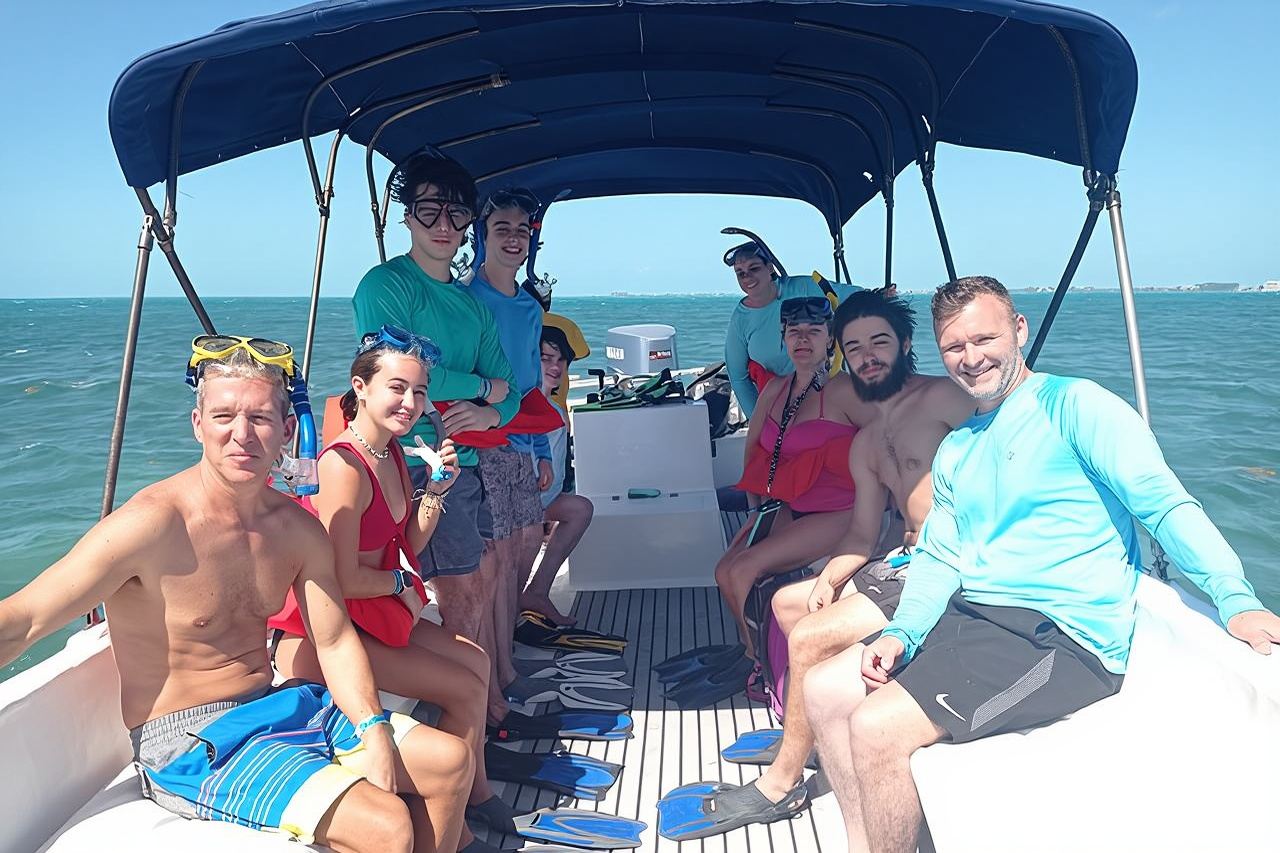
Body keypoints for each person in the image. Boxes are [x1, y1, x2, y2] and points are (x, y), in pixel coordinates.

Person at [804, 276, 1280, 853]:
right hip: (977, 620)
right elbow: (940, 556)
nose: (971, 357)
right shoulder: (959, 445)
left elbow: (1165, 505)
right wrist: (904, 631)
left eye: (984, 338)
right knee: (828, 688)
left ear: (1018, 330)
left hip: (1061, 638)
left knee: (875, 728)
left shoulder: (1076, 405)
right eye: (954, 347)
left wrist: (1236, 599)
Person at [0, 339, 474, 853]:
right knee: (387, 826)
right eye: (224, 415)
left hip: (274, 704)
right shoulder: (151, 525)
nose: (241, 434)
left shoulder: (294, 529)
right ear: (197, 423)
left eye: (261, 419)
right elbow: (25, 619)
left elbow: (334, 640)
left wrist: (374, 726)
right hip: (190, 743)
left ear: (288, 430)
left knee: (450, 762)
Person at [722, 290, 972, 827]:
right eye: (855, 346)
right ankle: (806, 734)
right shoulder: (867, 442)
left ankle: (780, 784)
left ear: (906, 344)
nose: (867, 355)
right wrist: (832, 575)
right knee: (792, 605)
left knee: (811, 637)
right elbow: (862, 531)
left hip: (950, 566)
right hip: (904, 561)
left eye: (879, 341)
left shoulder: (944, 399)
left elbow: (1012, 430)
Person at [268, 327, 519, 852]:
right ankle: (459, 831)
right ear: (360, 387)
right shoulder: (344, 465)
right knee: (467, 687)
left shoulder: (392, 452)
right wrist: (403, 582)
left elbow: (404, 542)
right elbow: (335, 579)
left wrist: (435, 492)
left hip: (375, 612)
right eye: (397, 388)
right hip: (328, 630)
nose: (411, 402)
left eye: (420, 392)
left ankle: (474, 792)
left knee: (475, 660)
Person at [352, 152, 519, 723]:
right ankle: (469, 713)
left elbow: (514, 389)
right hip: (416, 459)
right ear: (407, 218)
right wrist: (480, 388)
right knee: (464, 588)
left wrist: (489, 414)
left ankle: (484, 700)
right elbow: (400, 370)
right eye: (429, 211)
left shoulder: (473, 302)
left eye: (456, 213)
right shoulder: (385, 286)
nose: (444, 225)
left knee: (486, 576)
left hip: (466, 460)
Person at [718, 296, 876, 662]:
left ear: (830, 339)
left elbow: (889, 443)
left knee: (743, 569)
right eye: (794, 332)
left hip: (840, 512)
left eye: (813, 331)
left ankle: (755, 660)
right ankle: (752, 647)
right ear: (784, 339)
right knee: (724, 571)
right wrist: (755, 507)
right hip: (790, 505)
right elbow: (754, 447)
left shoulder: (845, 392)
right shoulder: (775, 389)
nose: (802, 339)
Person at [461, 187, 557, 698]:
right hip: (486, 447)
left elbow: (532, 384)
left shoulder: (528, 306)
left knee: (518, 556)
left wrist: (541, 450)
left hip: (522, 446)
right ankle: (497, 680)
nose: (514, 238)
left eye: (523, 230)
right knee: (494, 567)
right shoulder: (467, 298)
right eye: (503, 229)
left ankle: (509, 666)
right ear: (483, 236)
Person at [723, 241, 860, 416]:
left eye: (754, 268)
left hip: (829, 394)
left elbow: (852, 296)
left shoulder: (804, 287)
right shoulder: (740, 320)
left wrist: (879, 298)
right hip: (783, 405)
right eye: (740, 273)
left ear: (770, 268)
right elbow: (738, 377)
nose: (747, 277)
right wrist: (757, 420)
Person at [517, 325, 595, 626]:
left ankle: (536, 593)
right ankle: (510, 607)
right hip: (521, 507)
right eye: (545, 358)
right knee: (532, 532)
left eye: (561, 360)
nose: (555, 366)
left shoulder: (555, 409)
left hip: (543, 500)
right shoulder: (524, 406)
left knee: (580, 509)